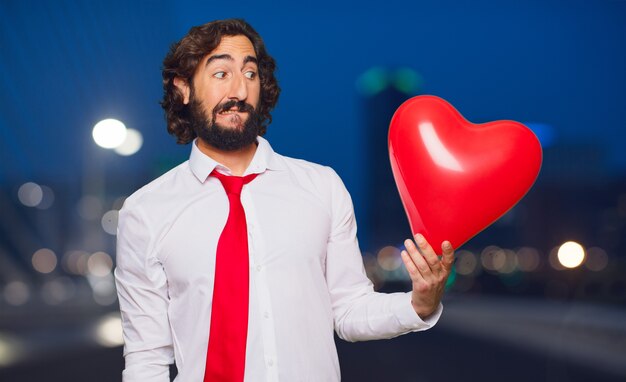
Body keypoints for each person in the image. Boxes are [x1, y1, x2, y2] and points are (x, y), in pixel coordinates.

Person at [114, 18, 455, 382]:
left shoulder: (321, 187)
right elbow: (147, 357)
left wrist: (420, 302)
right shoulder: (145, 212)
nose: (239, 91)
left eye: (250, 73)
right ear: (183, 88)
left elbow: (348, 308)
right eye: (220, 73)